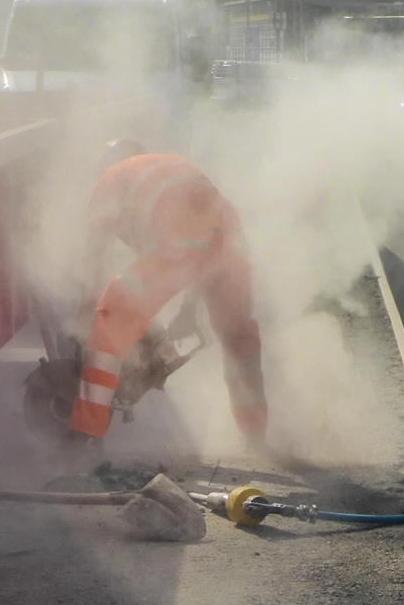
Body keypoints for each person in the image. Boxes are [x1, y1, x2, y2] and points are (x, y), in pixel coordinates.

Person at [69, 140, 266, 441]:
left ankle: (85, 432)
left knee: (110, 320)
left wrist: (89, 311)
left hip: (180, 242)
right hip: (231, 240)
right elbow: (207, 243)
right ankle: (255, 434)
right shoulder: (170, 164)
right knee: (239, 336)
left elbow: (92, 255)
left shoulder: (109, 179)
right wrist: (188, 309)